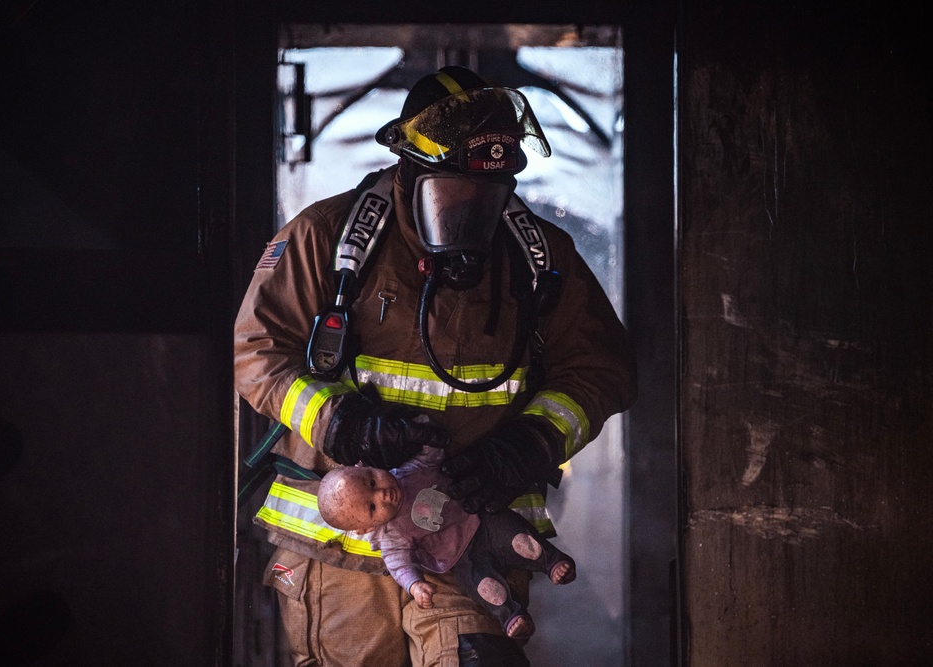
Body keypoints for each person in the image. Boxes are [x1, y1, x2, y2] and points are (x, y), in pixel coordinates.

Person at [235, 64, 637, 667]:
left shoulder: (540, 259)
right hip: (340, 546)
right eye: (454, 194)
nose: (473, 213)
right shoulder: (328, 238)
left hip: (468, 536)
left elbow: (602, 369)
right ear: (409, 170)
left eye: (491, 195)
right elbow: (256, 350)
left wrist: (532, 443)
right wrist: (337, 423)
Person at [315, 444, 577, 643]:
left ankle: (552, 562)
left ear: (366, 466)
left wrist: (421, 433)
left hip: (482, 518)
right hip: (459, 558)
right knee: (483, 587)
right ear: (366, 528)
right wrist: (415, 585)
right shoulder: (390, 536)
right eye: (372, 506)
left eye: (372, 480)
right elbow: (399, 566)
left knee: (518, 537)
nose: (382, 493)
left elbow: (433, 450)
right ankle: (511, 615)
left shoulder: (409, 471)